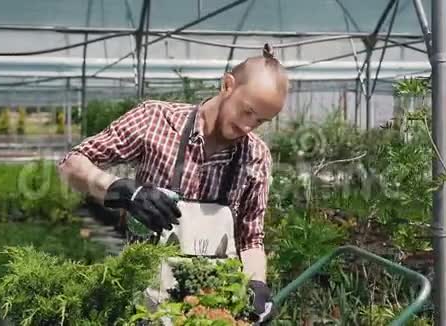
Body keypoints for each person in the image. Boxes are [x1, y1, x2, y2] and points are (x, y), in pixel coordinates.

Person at [58, 43, 289, 323]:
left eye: (261, 121)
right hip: (145, 305)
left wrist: (257, 285)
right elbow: (71, 165)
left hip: (212, 308)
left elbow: (251, 239)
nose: (248, 126)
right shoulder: (156, 120)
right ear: (228, 85)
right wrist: (120, 189)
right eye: (247, 111)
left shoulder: (256, 156)